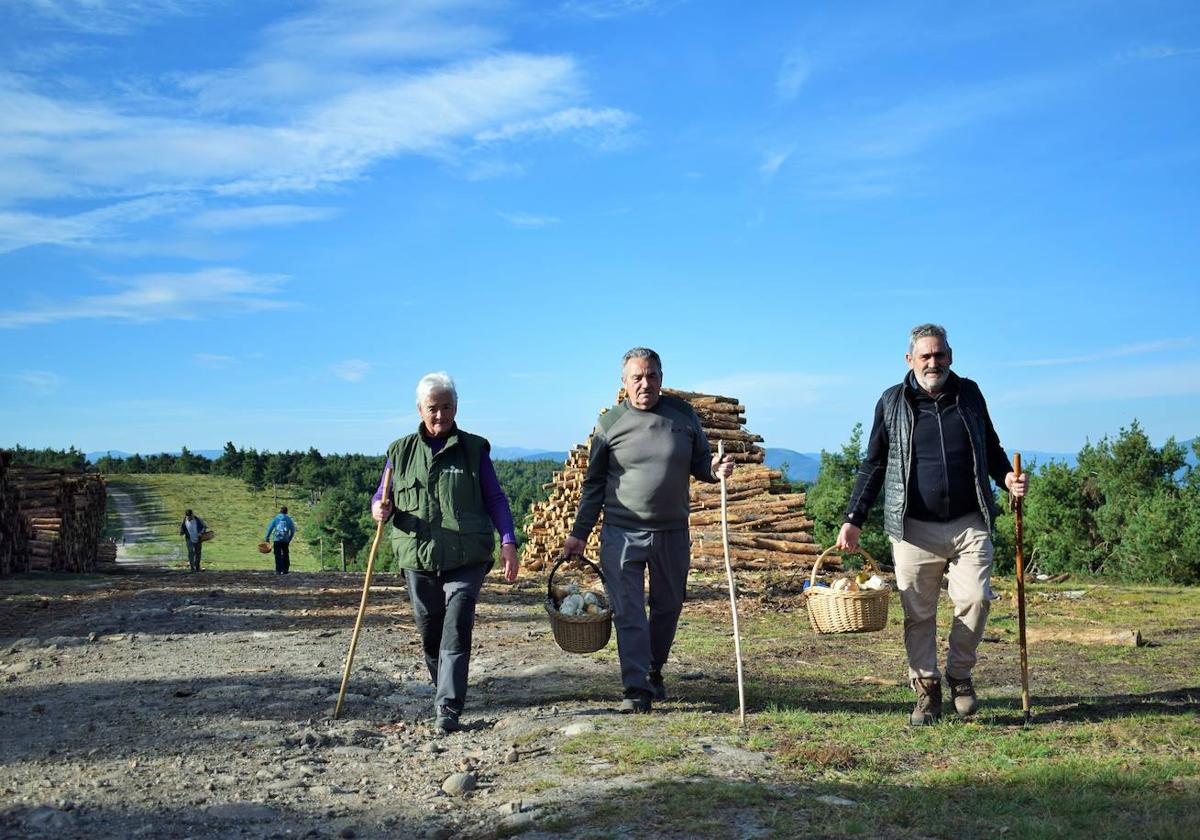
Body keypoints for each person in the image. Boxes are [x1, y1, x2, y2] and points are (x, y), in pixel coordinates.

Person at [836, 323, 1028, 725]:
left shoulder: (969, 394)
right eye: (925, 356)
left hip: (969, 520)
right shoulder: (892, 402)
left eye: (939, 354)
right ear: (910, 360)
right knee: (918, 615)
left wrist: (1006, 478)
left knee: (977, 599)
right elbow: (874, 464)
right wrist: (854, 518)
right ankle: (926, 689)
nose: (933, 362)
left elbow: (990, 448)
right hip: (913, 527)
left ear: (950, 356)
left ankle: (959, 673)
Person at [561, 347, 735, 714]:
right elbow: (593, 485)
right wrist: (579, 533)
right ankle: (636, 687)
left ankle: (654, 669)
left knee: (668, 606)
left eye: (651, 375)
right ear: (623, 383)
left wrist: (716, 467)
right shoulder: (610, 425)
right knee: (628, 611)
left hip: (672, 531)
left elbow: (701, 463)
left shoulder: (683, 415)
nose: (645, 383)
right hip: (622, 533)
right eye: (637, 377)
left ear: (661, 377)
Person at [371, 372, 520, 734]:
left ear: (457, 407)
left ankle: (448, 705)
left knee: (457, 625)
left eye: (447, 408)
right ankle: (444, 688)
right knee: (430, 631)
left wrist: (508, 541)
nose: (440, 416)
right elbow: (381, 495)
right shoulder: (400, 451)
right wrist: (379, 508)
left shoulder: (473, 448)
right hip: (417, 557)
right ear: (420, 409)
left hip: (466, 556)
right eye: (433, 409)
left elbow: (495, 498)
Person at [264, 506, 296, 575]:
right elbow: (293, 531)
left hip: (277, 539)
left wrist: (267, 538)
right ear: (286, 512)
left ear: (280, 511)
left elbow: (270, 528)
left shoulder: (275, 519)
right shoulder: (289, 519)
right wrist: (289, 539)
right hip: (285, 540)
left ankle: (278, 570)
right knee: (286, 554)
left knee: (277, 554)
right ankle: (285, 570)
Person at [178, 509, 207, 573]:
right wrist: (181, 532)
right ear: (186, 516)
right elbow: (182, 528)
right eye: (188, 517)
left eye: (190, 516)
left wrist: (201, 533)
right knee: (191, 552)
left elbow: (204, 527)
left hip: (198, 538)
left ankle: (197, 567)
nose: (189, 518)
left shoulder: (198, 519)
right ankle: (192, 568)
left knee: (198, 553)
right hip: (189, 539)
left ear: (192, 514)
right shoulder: (184, 520)